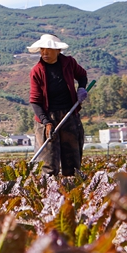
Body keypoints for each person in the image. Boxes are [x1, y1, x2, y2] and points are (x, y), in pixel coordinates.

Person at [28, 34, 89, 176]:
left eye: (48, 49)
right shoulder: (37, 71)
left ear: (58, 51)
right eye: (42, 49)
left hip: (69, 115)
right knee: (49, 164)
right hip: (46, 118)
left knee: (72, 162)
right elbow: (35, 101)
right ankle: (48, 193)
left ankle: (72, 192)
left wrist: (81, 88)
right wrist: (46, 122)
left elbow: (82, 75)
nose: (45, 53)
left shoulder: (69, 63)